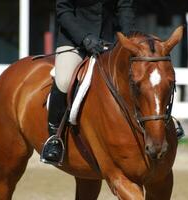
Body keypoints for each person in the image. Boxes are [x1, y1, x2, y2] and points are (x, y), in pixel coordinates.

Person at [41, 0, 136, 165]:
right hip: (74, 42)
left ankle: (156, 126)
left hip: (109, 42)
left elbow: (124, 7)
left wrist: (127, 40)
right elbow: (64, 10)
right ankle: (54, 137)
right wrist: (84, 38)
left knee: (137, 74)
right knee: (64, 80)